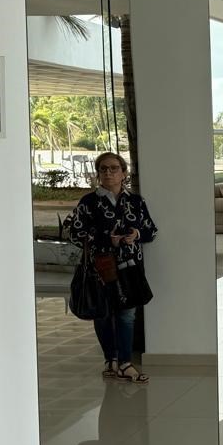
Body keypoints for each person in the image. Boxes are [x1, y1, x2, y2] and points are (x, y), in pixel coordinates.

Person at [68, 151, 158, 383]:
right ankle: (111, 359)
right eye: (103, 169)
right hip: (100, 268)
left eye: (114, 168)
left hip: (130, 269)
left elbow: (151, 231)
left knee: (127, 315)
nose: (108, 173)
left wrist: (136, 234)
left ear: (124, 173)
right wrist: (107, 240)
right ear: (98, 174)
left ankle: (125, 363)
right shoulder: (88, 202)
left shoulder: (136, 202)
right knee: (103, 313)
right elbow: (75, 234)